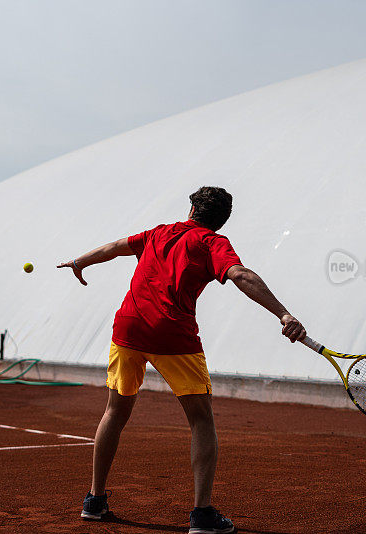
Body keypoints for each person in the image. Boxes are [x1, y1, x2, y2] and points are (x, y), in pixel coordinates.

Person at [58, 186, 306, 534]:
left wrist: (80, 261)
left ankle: (94, 501)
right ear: (222, 219)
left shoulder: (158, 233)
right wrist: (283, 314)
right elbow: (241, 275)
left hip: (127, 329)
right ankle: (202, 515)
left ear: (192, 208)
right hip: (173, 335)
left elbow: (113, 248)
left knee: (115, 411)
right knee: (201, 419)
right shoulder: (212, 243)